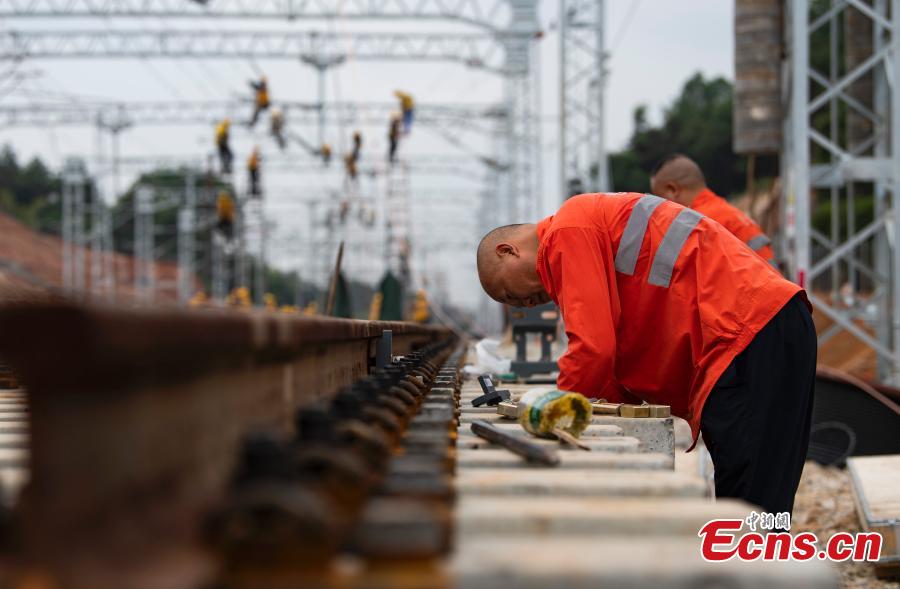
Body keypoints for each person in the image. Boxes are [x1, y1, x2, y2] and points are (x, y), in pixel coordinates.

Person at [475, 193, 816, 515]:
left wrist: (557, 410)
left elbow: (594, 348)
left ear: (508, 251)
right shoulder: (584, 228)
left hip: (749, 333)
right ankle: (751, 570)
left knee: (751, 498)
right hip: (754, 332)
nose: (520, 304)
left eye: (509, 294)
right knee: (751, 489)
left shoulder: (568, 230)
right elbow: (611, 352)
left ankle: (755, 574)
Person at [650, 154, 775, 264]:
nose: (660, 207)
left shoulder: (695, 224)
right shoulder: (729, 212)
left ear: (672, 190)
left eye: (660, 198)